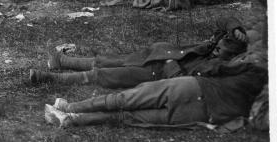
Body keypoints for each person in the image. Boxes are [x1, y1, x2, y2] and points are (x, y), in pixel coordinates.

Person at [44, 58, 267, 129]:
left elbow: (214, 67)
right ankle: (71, 119)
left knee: (124, 100)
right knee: (127, 117)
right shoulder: (266, 100)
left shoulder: (255, 70)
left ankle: (70, 109)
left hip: (193, 87)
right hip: (203, 113)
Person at [30, 17, 251, 87]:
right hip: (155, 55)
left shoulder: (217, 68)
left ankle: (49, 77)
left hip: (158, 74)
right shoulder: (214, 48)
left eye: (220, 50)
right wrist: (235, 29)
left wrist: (169, 64)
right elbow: (224, 23)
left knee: (104, 74)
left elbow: (182, 81)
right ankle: (62, 59)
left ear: (229, 57)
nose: (215, 49)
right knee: (108, 60)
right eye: (218, 45)